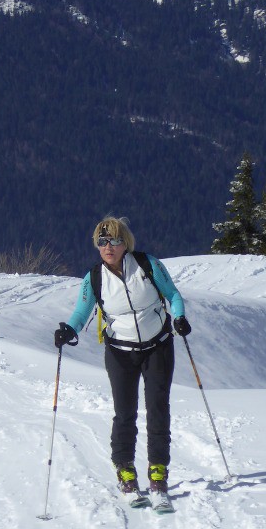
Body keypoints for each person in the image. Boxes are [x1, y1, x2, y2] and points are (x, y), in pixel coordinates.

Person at [53, 216, 190, 504]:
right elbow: (82, 311)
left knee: (157, 408)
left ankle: (158, 472)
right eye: (102, 242)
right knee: (124, 411)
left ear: (124, 243)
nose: (108, 247)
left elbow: (173, 295)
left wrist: (178, 318)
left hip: (158, 346)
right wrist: (69, 329)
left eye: (114, 241)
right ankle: (125, 470)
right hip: (119, 351)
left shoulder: (147, 264)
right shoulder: (94, 278)